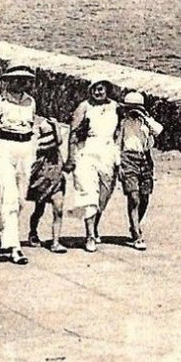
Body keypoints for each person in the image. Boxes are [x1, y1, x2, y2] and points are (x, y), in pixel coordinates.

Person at [0, 64, 39, 265]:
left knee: (20, 201)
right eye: (16, 79)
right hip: (3, 149)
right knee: (10, 198)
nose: (20, 83)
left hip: (25, 151)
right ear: (8, 81)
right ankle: (14, 248)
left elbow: (31, 128)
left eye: (24, 79)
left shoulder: (31, 102)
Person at [63, 80, 122, 252]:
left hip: (108, 153)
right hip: (86, 153)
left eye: (101, 89)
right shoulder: (84, 107)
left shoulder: (115, 107)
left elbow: (119, 132)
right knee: (89, 195)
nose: (98, 92)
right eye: (94, 89)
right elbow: (73, 134)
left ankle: (94, 227)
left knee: (104, 195)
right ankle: (89, 236)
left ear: (107, 90)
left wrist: (117, 153)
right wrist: (71, 158)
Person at [115, 90, 164, 250]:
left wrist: (144, 117)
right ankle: (137, 234)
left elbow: (159, 131)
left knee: (144, 197)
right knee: (133, 196)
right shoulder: (122, 122)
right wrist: (118, 164)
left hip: (145, 158)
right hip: (128, 158)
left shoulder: (146, 122)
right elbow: (117, 143)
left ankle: (134, 224)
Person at [24, 109, 69, 254]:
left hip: (56, 180)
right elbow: (58, 141)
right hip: (43, 181)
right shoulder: (43, 146)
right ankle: (33, 232)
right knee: (39, 210)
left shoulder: (54, 146)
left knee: (59, 209)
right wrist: (56, 126)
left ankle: (55, 242)